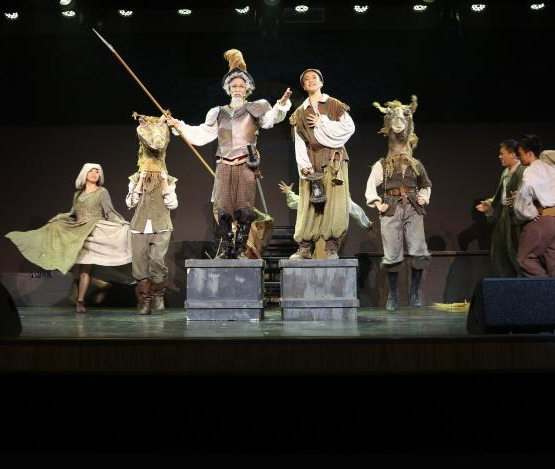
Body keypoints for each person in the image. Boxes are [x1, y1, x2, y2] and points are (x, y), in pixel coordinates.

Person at [166, 49, 291, 259]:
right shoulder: (218, 112)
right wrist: (179, 125)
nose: (237, 89)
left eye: (241, 85)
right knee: (223, 210)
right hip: (224, 164)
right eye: (234, 86)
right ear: (228, 89)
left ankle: (240, 250)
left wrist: (281, 104)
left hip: (246, 164)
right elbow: (202, 134)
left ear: (247, 88)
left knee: (244, 209)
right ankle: (226, 249)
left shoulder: (256, 107)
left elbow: (271, 119)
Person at [6, 163, 131, 313]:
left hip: (93, 232)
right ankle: (99, 286)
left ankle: (80, 301)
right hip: (78, 232)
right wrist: (58, 218)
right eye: (91, 171)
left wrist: (121, 223)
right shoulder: (77, 195)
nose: (94, 174)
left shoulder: (102, 192)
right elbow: (72, 213)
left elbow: (110, 212)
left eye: (97, 172)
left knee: (84, 270)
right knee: (72, 267)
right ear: (84, 174)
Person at [365, 97, 432, 310]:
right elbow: (370, 186)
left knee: (418, 249)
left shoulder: (416, 164)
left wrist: (423, 196)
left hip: (413, 206)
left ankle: (414, 292)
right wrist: (378, 204)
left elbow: (426, 184)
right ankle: (393, 295)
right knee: (392, 252)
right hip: (391, 207)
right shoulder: (383, 164)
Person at [288, 68, 355, 259]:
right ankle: (305, 248)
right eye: (307, 79)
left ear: (321, 82)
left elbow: (348, 128)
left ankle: (331, 248)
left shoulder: (333, 104)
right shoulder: (299, 112)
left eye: (314, 78)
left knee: (335, 203)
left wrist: (323, 122)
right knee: (309, 204)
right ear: (303, 86)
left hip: (334, 159)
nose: (311, 80)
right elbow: (299, 141)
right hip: (312, 159)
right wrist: (303, 164)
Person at [127, 114, 178, 314]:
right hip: (139, 227)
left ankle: (158, 294)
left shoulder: (168, 179)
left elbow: (172, 204)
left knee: (157, 263)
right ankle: (146, 301)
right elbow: (130, 203)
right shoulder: (135, 178)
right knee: (140, 268)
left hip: (161, 226)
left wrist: (164, 182)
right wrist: (140, 182)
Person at [512, 134, 555, 277]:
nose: (519, 158)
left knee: (525, 259)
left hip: (541, 221)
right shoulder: (551, 171)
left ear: (530, 154)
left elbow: (526, 190)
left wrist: (529, 212)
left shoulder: (531, 171)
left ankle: (545, 284)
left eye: (520, 154)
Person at [476, 139, 525, 277]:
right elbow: (500, 195)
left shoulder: (523, 170)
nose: (499, 156)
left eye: (502, 153)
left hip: (517, 217)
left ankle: (520, 282)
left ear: (513, 154)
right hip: (504, 215)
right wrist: (489, 203)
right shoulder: (505, 172)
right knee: (499, 251)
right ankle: (504, 282)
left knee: (514, 250)